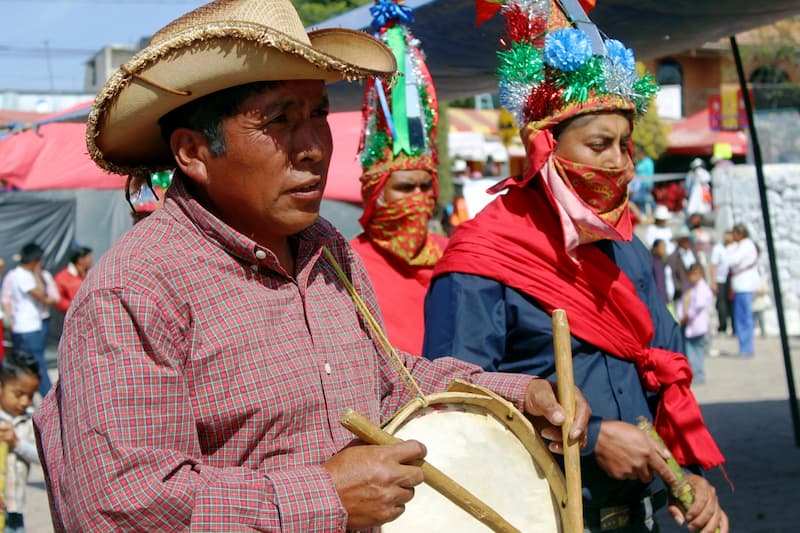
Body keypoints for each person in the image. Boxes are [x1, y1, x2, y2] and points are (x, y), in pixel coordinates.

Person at [32, 1, 590, 530]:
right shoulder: (137, 288)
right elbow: (116, 508)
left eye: (318, 113)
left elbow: (387, 381)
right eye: (278, 119)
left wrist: (515, 394)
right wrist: (325, 495)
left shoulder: (326, 249)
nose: (314, 147)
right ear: (193, 153)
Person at [423, 1, 727, 531]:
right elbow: (455, 403)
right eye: (598, 144)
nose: (619, 163)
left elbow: (665, 368)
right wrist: (592, 439)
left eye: (624, 145)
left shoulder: (627, 248)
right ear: (546, 148)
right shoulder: (480, 260)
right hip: (545, 517)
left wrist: (692, 473)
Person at [349, 2, 446, 354]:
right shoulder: (347, 265)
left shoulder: (450, 256)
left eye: (426, 187)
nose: (418, 198)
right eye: (405, 188)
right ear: (376, 195)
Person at [3, 244, 54, 398]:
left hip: (25, 327)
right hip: (28, 328)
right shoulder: (22, 275)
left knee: (27, 364)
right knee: (37, 365)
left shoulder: (19, 274)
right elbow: (41, 295)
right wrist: (38, 273)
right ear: (34, 260)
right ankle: (49, 397)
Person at [0, 350, 41, 533]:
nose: (25, 401)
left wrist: (16, 443)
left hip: (15, 506)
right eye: (18, 394)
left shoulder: (28, 421)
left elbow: (39, 456)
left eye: (31, 395)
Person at [676, 264, 713, 385]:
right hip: (687, 324)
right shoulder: (688, 286)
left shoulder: (703, 288)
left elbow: (699, 305)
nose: (692, 277)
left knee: (695, 351)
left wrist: (688, 316)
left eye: (695, 274)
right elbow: (682, 302)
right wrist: (681, 316)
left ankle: (698, 375)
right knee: (689, 351)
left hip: (697, 325)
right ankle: (694, 373)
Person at [728, 223, 760, 356]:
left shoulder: (745, 245)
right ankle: (745, 346)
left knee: (743, 317)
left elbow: (733, 260)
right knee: (743, 316)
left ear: (741, 234)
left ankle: (746, 347)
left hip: (744, 285)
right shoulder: (743, 245)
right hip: (742, 285)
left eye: (734, 233)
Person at [53, 246, 93, 315]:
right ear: (80, 260)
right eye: (89, 257)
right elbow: (59, 300)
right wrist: (75, 308)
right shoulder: (63, 277)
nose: (92, 260)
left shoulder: (90, 274)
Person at [709, 231, 734, 335]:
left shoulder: (735, 248)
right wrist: (713, 281)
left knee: (732, 303)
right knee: (721, 304)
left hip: (732, 279)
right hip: (720, 279)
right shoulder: (718, 248)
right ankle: (722, 326)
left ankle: (734, 326)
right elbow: (713, 265)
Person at [666, 226, 697, 305]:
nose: (688, 242)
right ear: (679, 241)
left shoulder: (693, 252)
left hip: (696, 292)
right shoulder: (673, 258)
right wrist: (682, 289)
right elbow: (672, 277)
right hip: (682, 294)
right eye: (685, 240)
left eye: (688, 239)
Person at [650, 239, 673, 306]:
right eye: (662, 247)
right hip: (660, 301)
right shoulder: (654, 263)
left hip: (664, 299)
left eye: (665, 247)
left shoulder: (661, 262)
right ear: (656, 248)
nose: (664, 250)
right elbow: (659, 283)